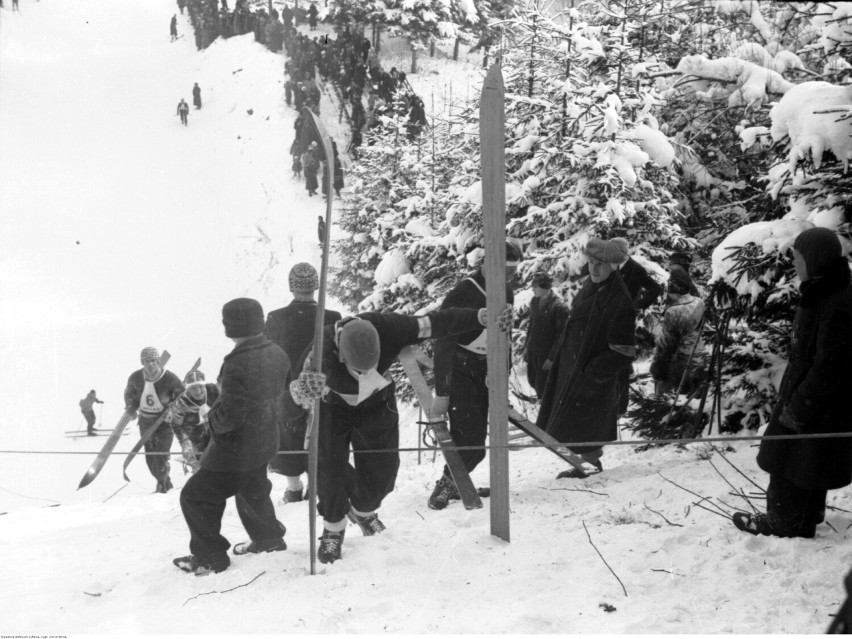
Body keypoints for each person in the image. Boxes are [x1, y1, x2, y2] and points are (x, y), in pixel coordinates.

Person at [289, 304, 513, 564]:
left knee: (383, 469)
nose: (365, 373)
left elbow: (437, 322)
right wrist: (301, 393)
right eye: (359, 369)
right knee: (328, 469)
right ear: (341, 356)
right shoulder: (318, 352)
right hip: (332, 409)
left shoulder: (391, 328)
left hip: (376, 404)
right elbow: (295, 396)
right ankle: (333, 528)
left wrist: (478, 316)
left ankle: (364, 511)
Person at [733, 227, 852, 539]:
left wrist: (799, 406)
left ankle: (784, 523)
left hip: (817, 400)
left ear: (814, 259)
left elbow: (829, 366)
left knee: (792, 458)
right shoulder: (823, 291)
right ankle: (804, 517)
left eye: (798, 257)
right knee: (807, 458)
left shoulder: (837, 303)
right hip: (811, 397)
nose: (794, 263)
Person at [174, 298, 290, 576]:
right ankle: (268, 539)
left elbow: (230, 416)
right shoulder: (277, 352)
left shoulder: (236, 362)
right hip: (265, 439)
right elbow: (272, 392)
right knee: (253, 487)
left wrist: (208, 418)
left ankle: (210, 557)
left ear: (230, 326)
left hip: (236, 449)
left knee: (196, 496)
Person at [426, 242, 521, 510]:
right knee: (471, 441)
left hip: (484, 369)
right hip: (460, 370)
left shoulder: (507, 292)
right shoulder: (466, 291)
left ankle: (456, 481)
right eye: (506, 270)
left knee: (475, 440)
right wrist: (442, 391)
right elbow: (443, 337)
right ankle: (446, 484)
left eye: (513, 272)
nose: (509, 277)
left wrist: (499, 369)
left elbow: (505, 335)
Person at [536, 238, 637, 478]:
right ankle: (584, 464)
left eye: (601, 264)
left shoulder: (619, 299)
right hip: (574, 368)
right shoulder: (592, 286)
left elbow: (623, 351)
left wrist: (591, 374)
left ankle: (590, 466)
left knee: (587, 423)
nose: (595, 268)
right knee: (573, 423)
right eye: (591, 262)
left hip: (592, 376)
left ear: (613, 265)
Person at [264, 263, 341, 503]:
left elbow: (269, 356)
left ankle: (294, 488)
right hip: (323, 387)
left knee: (288, 436)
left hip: (287, 388)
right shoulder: (332, 317)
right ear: (316, 285)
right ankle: (314, 485)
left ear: (291, 286)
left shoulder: (276, 318)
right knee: (321, 434)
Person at [124, 348, 185, 493]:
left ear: (158, 361)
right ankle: (164, 483)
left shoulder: (169, 378)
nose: (150, 364)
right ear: (142, 362)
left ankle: (162, 486)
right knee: (150, 458)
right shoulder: (135, 377)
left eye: (153, 361)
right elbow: (129, 393)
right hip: (145, 421)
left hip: (164, 422)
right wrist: (129, 408)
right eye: (147, 361)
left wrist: (173, 409)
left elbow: (182, 395)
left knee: (161, 455)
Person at [650, 269, 705, 396]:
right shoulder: (699, 302)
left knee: (668, 403)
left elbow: (667, 344)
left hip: (679, 364)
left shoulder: (674, 311)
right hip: (699, 358)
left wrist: (657, 367)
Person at [525, 272, 569, 399]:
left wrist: (552, 358)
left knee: (544, 385)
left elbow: (562, 336)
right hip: (534, 350)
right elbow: (531, 325)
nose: (532, 288)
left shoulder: (559, 308)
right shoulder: (534, 301)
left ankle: (545, 411)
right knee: (532, 380)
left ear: (544, 287)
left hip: (546, 355)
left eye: (535, 286)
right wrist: (527, 346)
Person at [167, 370, 219, 473]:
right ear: (188, 389)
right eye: (193, 388)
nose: (198, 391)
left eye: (200, 386)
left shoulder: (213, 390)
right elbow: (176, 425)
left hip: (215, 431)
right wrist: (186, 446)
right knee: (202, 467)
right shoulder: (181, 403)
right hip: (196, 437)